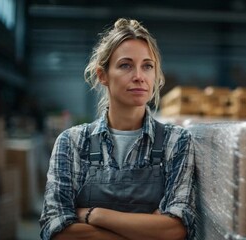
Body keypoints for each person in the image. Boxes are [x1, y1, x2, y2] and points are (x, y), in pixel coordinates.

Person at [39, 18, 196, 240]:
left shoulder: (177, 141)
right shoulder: (72, 142)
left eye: (147, 66)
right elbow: (55, 230)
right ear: (102, 75)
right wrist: (148, 231)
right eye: (125, 65)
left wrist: (96, 215)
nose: (139, 77)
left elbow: (177, 229)